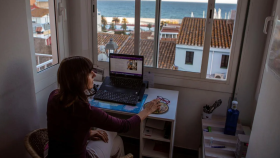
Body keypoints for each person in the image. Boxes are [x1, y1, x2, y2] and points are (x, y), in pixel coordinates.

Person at [47, 56, 161, 158]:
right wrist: (148, 110)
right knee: (112, 133)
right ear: (79, 79)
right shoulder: (87, 111)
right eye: (89, 72)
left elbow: (66, 127)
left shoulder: (53, 96)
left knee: (116, 140)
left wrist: (88, 133)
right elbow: (125, 126)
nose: (94, 74)